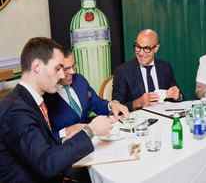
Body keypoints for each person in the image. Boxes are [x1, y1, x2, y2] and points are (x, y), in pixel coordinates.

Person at [0, 37, 119, 183]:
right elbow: (46, 163)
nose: (63, 75)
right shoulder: (16, 111)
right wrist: (90, 131)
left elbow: (43, 144)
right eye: (58, 68)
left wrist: (69, 135)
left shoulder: (27, 101)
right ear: (37, 67)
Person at [44, 50, 129, 141]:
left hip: (90, 141)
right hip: (66, 147)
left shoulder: (79, 80)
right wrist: (65, 132)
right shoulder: (45, 94)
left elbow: (96, 103)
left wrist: (111, 105)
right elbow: (43, 139)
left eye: (73, 66)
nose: (72, 72)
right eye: (66, 69)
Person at [112, 29, 182, 111]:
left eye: (146, 48)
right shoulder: (123, 71)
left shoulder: (165, 67)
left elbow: (179, 96)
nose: (141, 53)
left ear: (156, 48)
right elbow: (116, 107)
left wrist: (177, 96)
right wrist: (138, 102)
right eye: (138, 47)